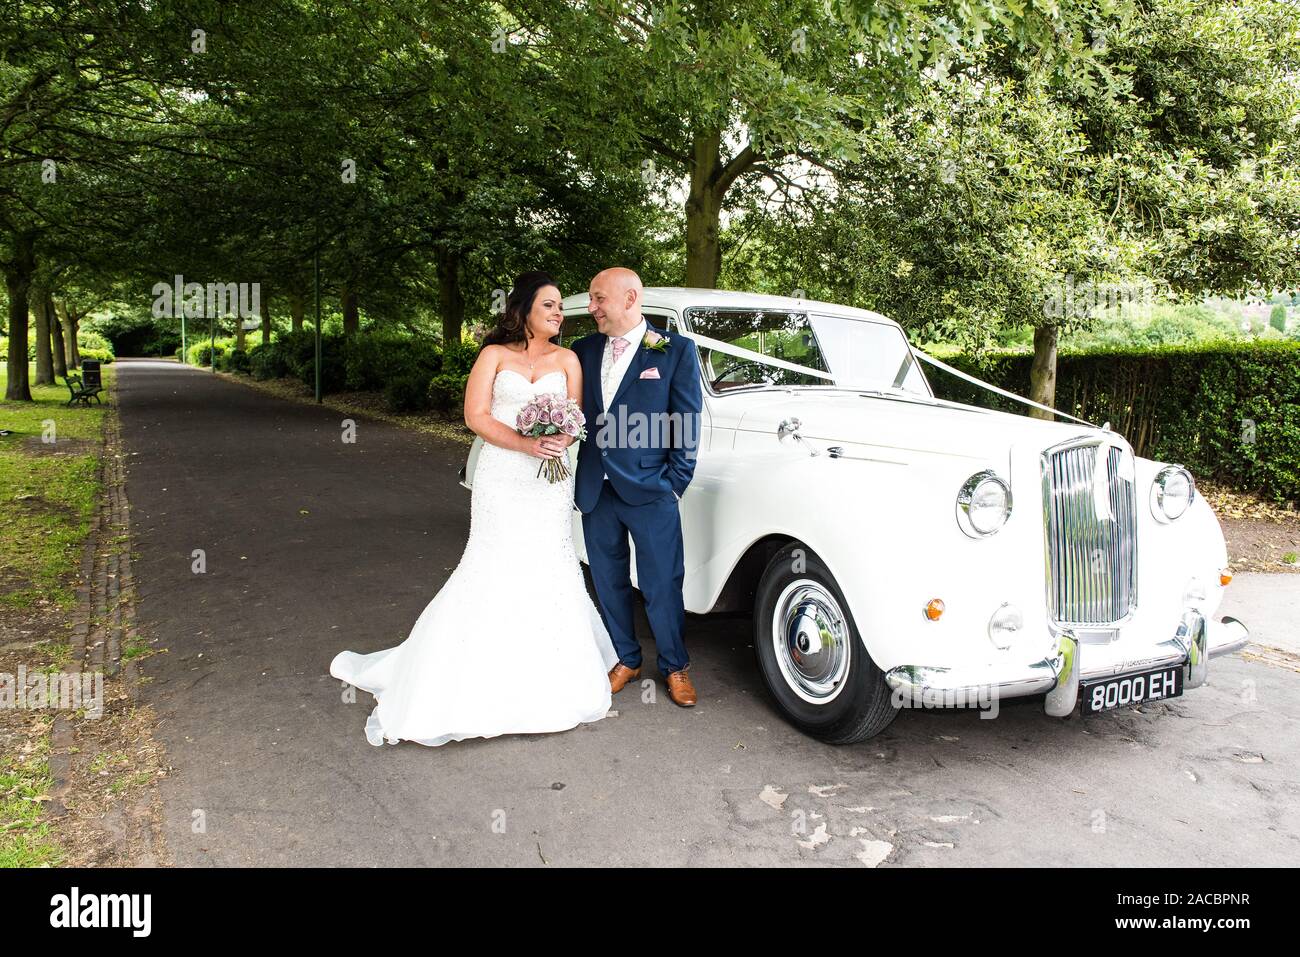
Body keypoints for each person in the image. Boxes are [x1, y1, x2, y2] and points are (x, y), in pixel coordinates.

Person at [329, 271, 617, 746]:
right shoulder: (493, 355)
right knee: (492, 560)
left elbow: (576, 416)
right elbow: (476, 416)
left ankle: (547, 677)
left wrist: (558, 441)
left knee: (548, 562)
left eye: (560, 307)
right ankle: (469, 673)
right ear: (523, 310)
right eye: (548, 305)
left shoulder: (568, 360)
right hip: (503, 477)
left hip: (549, 483)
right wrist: (525, 446)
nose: (558, 313)